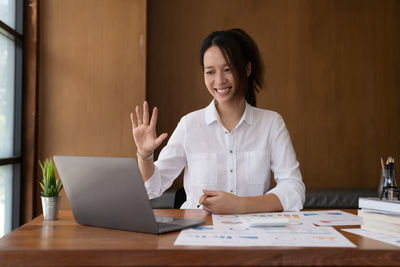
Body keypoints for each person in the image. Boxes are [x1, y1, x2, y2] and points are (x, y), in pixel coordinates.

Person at [130, 28, 305, 214]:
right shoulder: (190, 125)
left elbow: (294, 189)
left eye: (228, 69)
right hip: (197, 233)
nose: (219, 80)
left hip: (251, 234)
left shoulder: (271, 123)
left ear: (247, 69)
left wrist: (240, 205)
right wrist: (145, 153)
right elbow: (152, 188)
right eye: (210, 72)